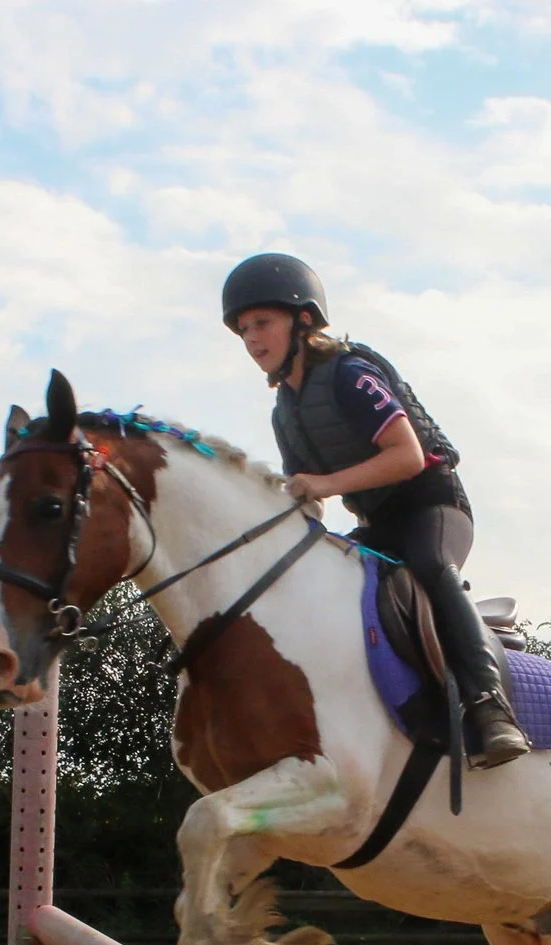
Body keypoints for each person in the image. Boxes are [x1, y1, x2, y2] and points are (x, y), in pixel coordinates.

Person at [220, 252, 530, 769]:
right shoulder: (286, 412)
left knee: (431, 568)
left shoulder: (351, 374)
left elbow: (408, 458)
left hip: (433, 506)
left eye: (262, 323)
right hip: (379, 524)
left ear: (302, 320)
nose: (252, 340)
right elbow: (310, 497)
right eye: (244, 330)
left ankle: (490, 706)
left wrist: (323, 483)